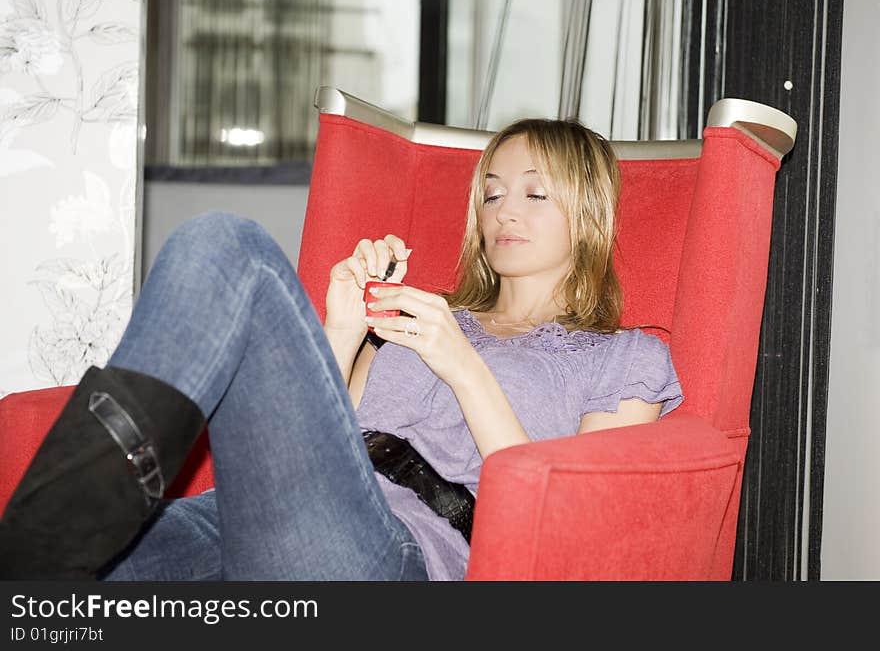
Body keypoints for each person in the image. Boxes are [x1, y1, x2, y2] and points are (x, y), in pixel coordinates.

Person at [0, 117, 682, 581]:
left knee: (231, 247)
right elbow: (314, 438)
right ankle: (53, 528)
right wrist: (345, 325)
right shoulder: (427, 317)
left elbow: (571, 534)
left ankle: (53, 523)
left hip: (393, 557)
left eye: (535, 193)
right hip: (246, 519)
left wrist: (465, 368)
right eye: (493, 192)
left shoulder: (625, 358)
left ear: (588, 214)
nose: (504, 210)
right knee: (45, 592)